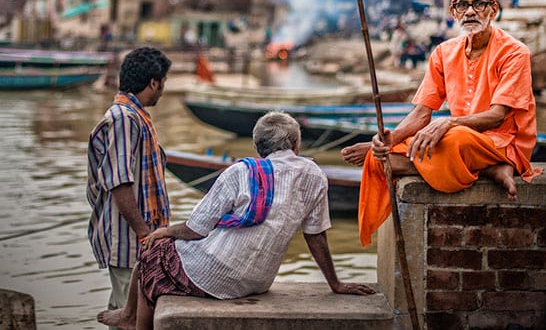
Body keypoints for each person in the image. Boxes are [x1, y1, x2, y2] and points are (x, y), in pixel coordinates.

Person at [98, 111, 373, 330]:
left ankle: (134, 321)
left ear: (257, 147)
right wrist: (335, 284)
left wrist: (163, 232)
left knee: (153, 252)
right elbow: (316, 236)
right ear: (295, 145)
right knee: (161, 249)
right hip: (258, 281)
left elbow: (195, 229)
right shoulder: (314, 174)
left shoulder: (241, 171)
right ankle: (129, 314)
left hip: (216, 279)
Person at [341, 0, 542, 246]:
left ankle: (495, 164)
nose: (470, 11)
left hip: (503, 140)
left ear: (493, 9)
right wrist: (390, 140)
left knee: (453, 138)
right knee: (378, 159)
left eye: (479, 4)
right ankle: (485, 170)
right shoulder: (443, 53)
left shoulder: (515, 53)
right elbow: (423, 113)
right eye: (462, 5)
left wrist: (448, 122)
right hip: (459, 139)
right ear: (453, 12)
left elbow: (497, 116)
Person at [87, 47, 173, 326]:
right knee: (130, 315)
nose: (162, 89)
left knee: (125, 310)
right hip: (129, 240)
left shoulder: (136, 116)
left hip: (139, 238)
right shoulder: (124, 118)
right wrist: (144, 233)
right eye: (163, 83)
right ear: (153, 83)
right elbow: (119, 182)